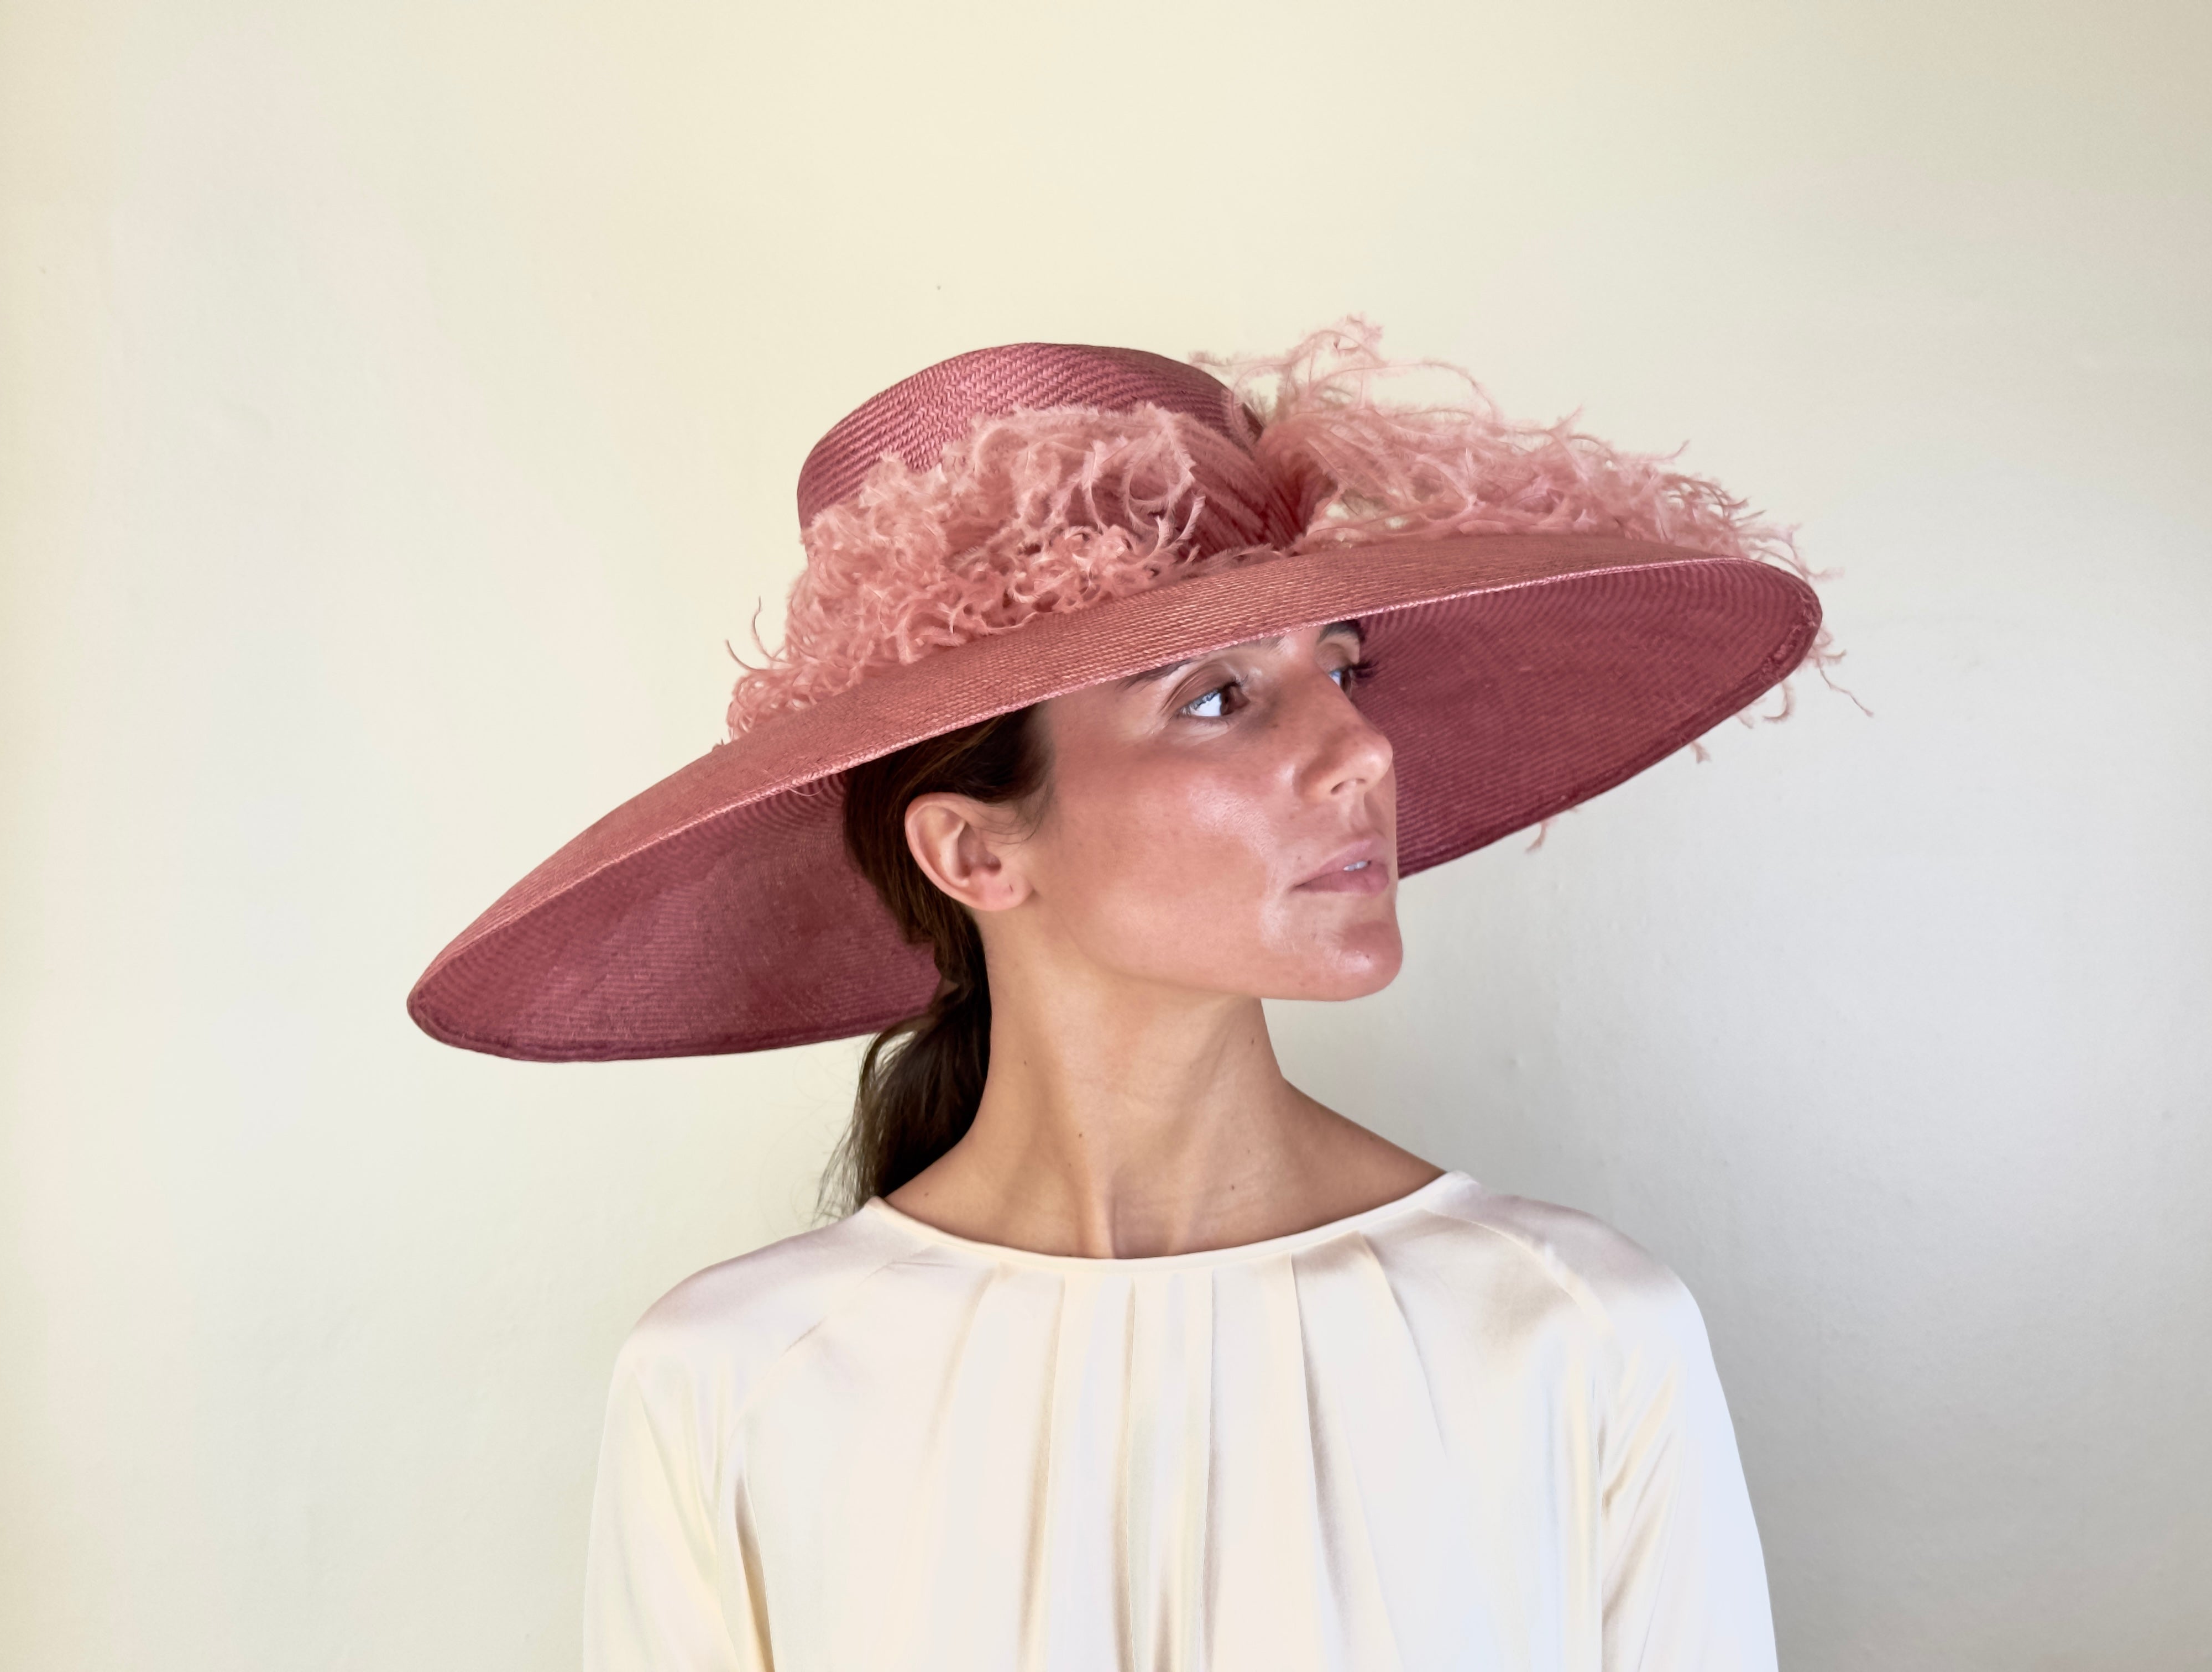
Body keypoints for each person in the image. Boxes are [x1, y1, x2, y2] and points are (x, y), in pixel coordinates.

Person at [410, 322, 1827, 1669]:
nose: (1364, 750)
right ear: (974, 851)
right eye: (1216, 696)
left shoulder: (1575, 1337)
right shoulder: (733, 1385)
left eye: (1343, 666)